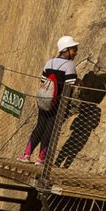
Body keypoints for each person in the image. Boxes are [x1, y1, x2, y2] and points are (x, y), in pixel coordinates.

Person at [24, 35, 80, 163]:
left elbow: (43, 80)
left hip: (44, 99)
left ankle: (26, 154)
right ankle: (41, 158)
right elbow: (70, 84)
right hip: (57, 103)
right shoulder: (69, 65)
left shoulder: (49, 62)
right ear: (66, 50)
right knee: (49, 129)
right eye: (74, 49)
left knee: (39, 126)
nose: (76, 52)